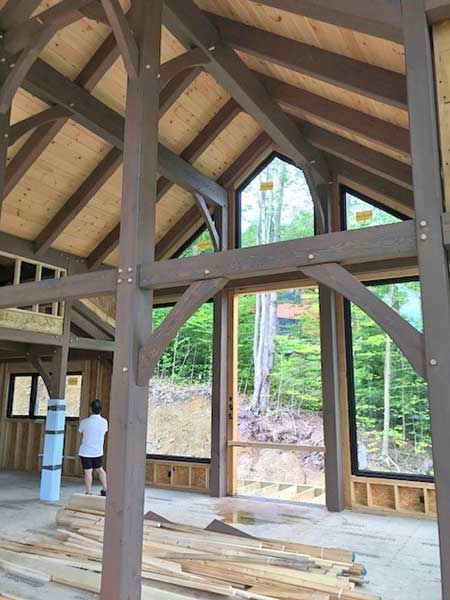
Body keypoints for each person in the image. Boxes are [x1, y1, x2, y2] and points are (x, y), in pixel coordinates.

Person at [78, 399, 108, 496]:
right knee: (100, 469)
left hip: (85, 451)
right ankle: (105, 488)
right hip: (98, 451)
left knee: (88, 472)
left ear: (90, 409)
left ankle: (88, 491)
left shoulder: (84, 422)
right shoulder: (104, 422)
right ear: (100, 410)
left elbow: (80, 431)